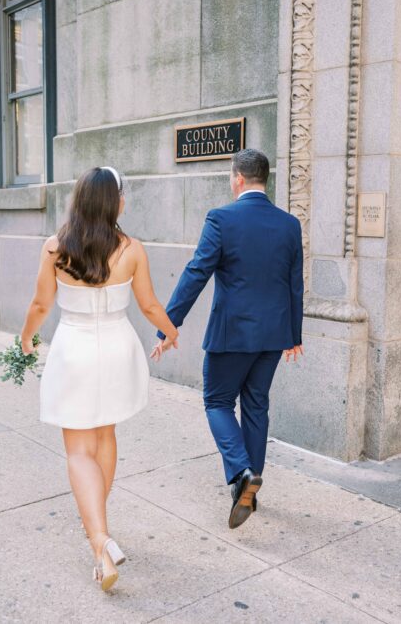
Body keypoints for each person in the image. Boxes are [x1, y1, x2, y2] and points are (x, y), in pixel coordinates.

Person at [19, 166, 179, 592]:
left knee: (77, 449)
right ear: (115, 202)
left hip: (75, 347)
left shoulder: (56, 248)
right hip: (115, 346)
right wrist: (172, 330)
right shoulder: (132, 249)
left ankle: (99, 539)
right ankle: (100, 543)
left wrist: (26, 338)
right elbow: (148, 306)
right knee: (104, 435)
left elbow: (40, 303)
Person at [152, 148, 304, 530]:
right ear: (263, 179)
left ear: (237, 178)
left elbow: (196, 273)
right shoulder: (289, 224)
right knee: (256, 406)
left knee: (217, 401)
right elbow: (295, 285)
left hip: (232, 333)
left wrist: (168, 327)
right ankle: (248, 491)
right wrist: (294, 336)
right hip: (273, 335)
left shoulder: (221, 218)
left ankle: (241, 473)